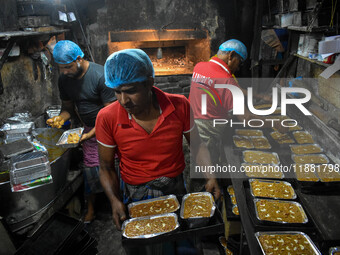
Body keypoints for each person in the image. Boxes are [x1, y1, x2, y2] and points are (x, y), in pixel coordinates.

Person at [95, 49, 221, 232]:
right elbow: (106, 167)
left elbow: (198, 145)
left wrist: (211, 176)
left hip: (175, 187)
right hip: (136, 194)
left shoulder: (179, 106)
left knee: (181, 240)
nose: (124, 100)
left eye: (131, 91)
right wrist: (114, 201)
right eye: (117, 92)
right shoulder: (107, 117)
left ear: (149, 83)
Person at [189, 39, 287, 184]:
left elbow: (220, 87)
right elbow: (246, 118)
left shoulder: (200, 67)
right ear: (231, 55)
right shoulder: (227, 80)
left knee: (194, 166)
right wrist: (274, 123)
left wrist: (259, 96)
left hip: (191, 127)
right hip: (208, 134)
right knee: (207, 177)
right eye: (239, 62)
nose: (238, 68)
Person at [46, 40, 116, 223]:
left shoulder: (100, 75)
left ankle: (119, 203)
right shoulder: (64, 79)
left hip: (110, 129)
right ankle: (91, 207)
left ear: (78, 58)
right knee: (91, 169)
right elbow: (68, 107)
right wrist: (61, 117)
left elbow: (110, 115)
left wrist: (90, 135)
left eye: (68, 67)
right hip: (88, 129)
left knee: (114, 165)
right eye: (61, 68)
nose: (64, 72)